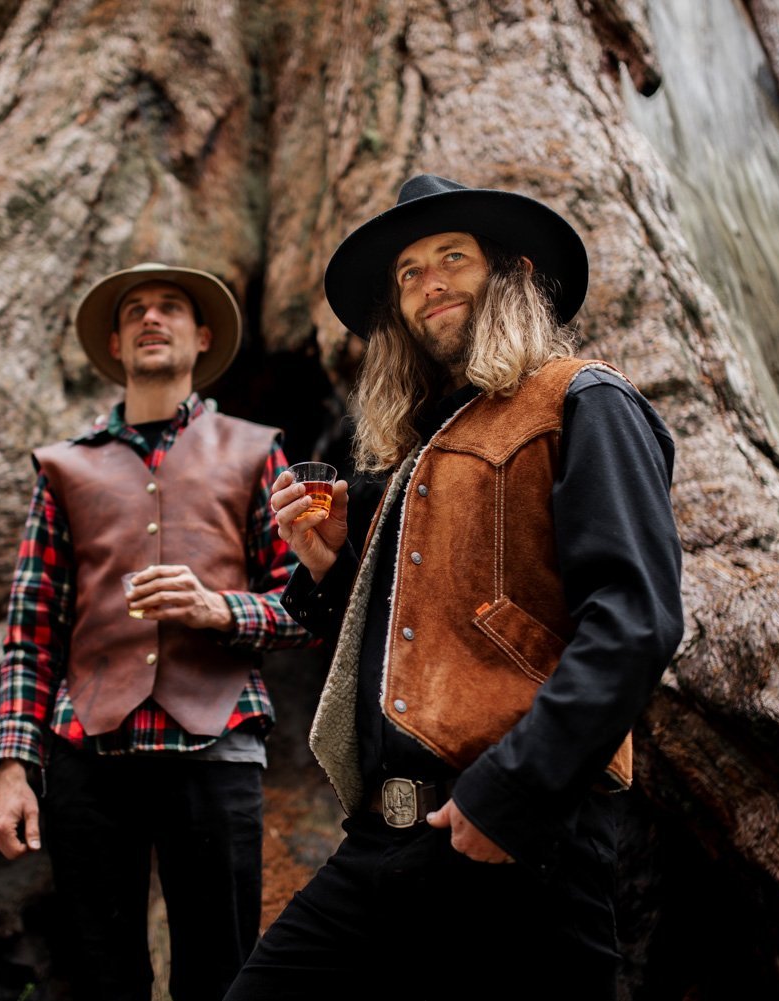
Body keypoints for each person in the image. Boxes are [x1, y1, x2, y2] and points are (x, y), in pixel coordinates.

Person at [227, 175, 685, 999]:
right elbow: (407, 657)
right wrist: (330, 565)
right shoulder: (418, 455)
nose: (428, 283)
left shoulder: (584, 398)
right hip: (380, 842)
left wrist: (511, 795)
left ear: (508, 272)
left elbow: (634, 621)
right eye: (408, 274)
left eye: (451, 258)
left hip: (520, 846)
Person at [0, 263, 311, 1001]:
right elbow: (31, 626)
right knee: (99, 975)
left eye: (171, 308)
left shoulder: (258, 450)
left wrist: (220, 609)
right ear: (115, 340)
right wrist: (13, 768)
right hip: (86, 755)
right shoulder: (64, 466)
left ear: (202, 339)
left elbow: (307, 607)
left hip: (219, 742)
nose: (151, 318)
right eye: (136, 309)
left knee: (220, 974)